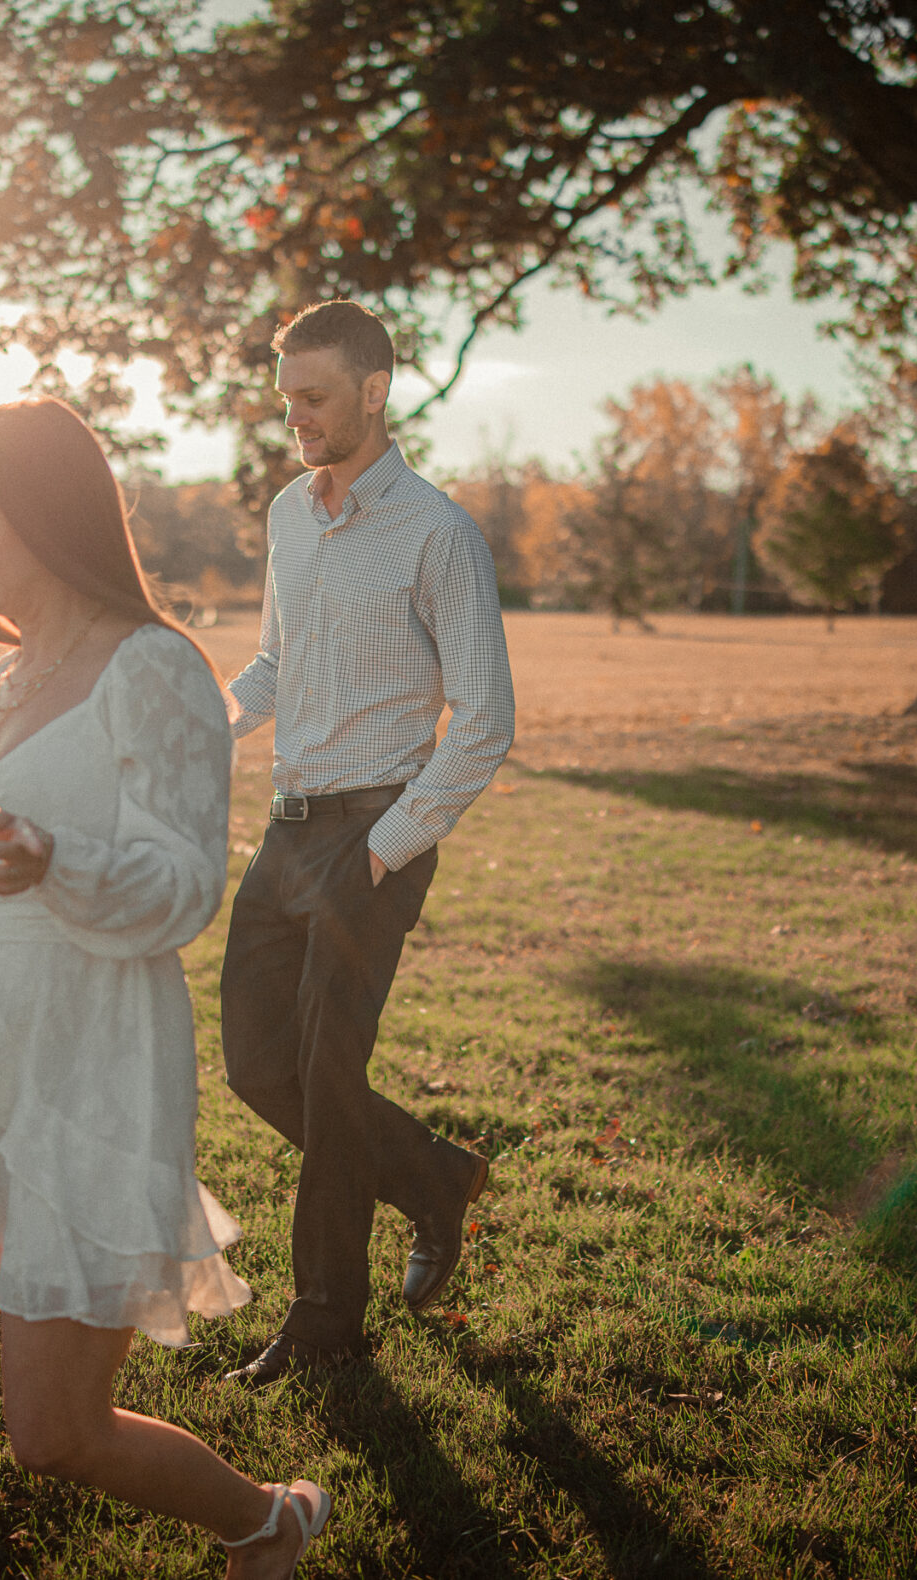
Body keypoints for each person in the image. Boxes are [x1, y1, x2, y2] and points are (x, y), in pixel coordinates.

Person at [0, 397, 327, 1579]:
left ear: (49, 511)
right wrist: (20, 866)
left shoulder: (155, 669)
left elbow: (184, 887)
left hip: (94, 1041)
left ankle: (266, 1520)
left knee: (55, 1431)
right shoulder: (9, 675)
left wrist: (58, 861)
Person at [218, 300, 518, 1386]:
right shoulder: (288, 516)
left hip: (372, 837)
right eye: (286, 397)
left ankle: (325, 1321)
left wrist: (385, 848)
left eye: (314, 398)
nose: (294, 417)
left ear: (373, 392)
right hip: (287, 829)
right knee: (258, 1063)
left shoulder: (438, 531)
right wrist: (200, 720)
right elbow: (273, 666)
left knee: (329, 1074)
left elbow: (483, 719)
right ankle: (434, 1177)